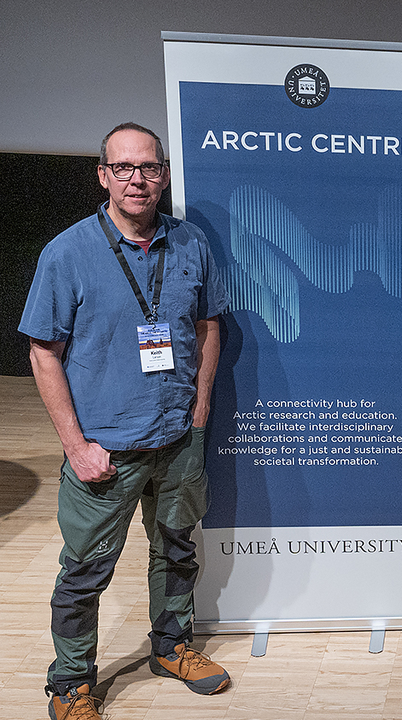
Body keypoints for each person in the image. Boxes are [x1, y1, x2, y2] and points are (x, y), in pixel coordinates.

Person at [21, 123, 230, 720]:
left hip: (178, 436)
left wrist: (201, 404)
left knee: (177, 549)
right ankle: (71, 681)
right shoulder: (68, 252)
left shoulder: (190, 244)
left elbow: (208, 325)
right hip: (105, 447)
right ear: (104, 175)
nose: (138, 179)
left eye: (150, 168)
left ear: (164, 174)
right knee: (85, 571)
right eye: (125, 168)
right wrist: (75, 445)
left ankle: (170, 646)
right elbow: (43, 353)